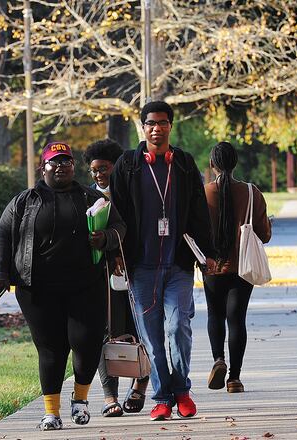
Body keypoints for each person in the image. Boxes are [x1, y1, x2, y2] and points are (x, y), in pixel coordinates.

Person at [0, 141, 126, 431]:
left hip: (86, 286)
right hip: (37, 289)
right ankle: (51, 412)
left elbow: (119, 227)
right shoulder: (24, 201)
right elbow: (2, 235)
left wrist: (105, 239)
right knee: (51, 349)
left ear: (73, 167)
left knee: (87, 343)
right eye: (55, 161)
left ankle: (81, 399)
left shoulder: (91, 197)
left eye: (67, 161)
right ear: (43, 167)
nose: (61, 166)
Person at [110, 101, 216, 421]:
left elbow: (199, 211)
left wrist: (207, 252)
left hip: (178, 263)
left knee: (178, 327)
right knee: (152, 338)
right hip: (140, 266)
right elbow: (116, 213)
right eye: (151, 123)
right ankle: (162, 397)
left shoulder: (183, 163)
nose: (157, 128)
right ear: (143, 127)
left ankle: (182, 391)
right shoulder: (127, 165)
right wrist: (116, 254)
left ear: (171, 125)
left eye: (163, 122)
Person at [83, 139, 150, 417]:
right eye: (94, 170)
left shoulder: (131, 191)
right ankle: (110, 395)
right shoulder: (87, 196)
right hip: (102, 276)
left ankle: (140, 386)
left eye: (104, 168)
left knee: (142, 329)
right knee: (106, 332)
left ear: (116, 166)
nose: (99, 174)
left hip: (137, 270)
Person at [203, 141, 272, 393]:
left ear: (212, 164)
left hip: (212, 266)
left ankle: (218, 359)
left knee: (215, 314)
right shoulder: (252, 193)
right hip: (243, 266)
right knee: (236, 319)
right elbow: (264, 234)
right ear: (235, 163)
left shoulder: (203, 193)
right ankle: (234, 378)